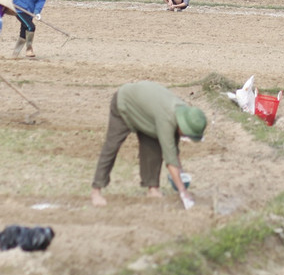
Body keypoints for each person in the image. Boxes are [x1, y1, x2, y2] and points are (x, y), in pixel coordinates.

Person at [89, 81, 207, 209]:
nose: (186, 137)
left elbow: (173, 151)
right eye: (188, 134)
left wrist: (181, 173)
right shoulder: (167, 119)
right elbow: (171, 161)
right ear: (184, 126)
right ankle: (96, 191)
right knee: (111, 147)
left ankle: (153, 189)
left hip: (146, 114)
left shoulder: (183, 113)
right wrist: (183, 192)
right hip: (125, 102)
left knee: (153, 147)